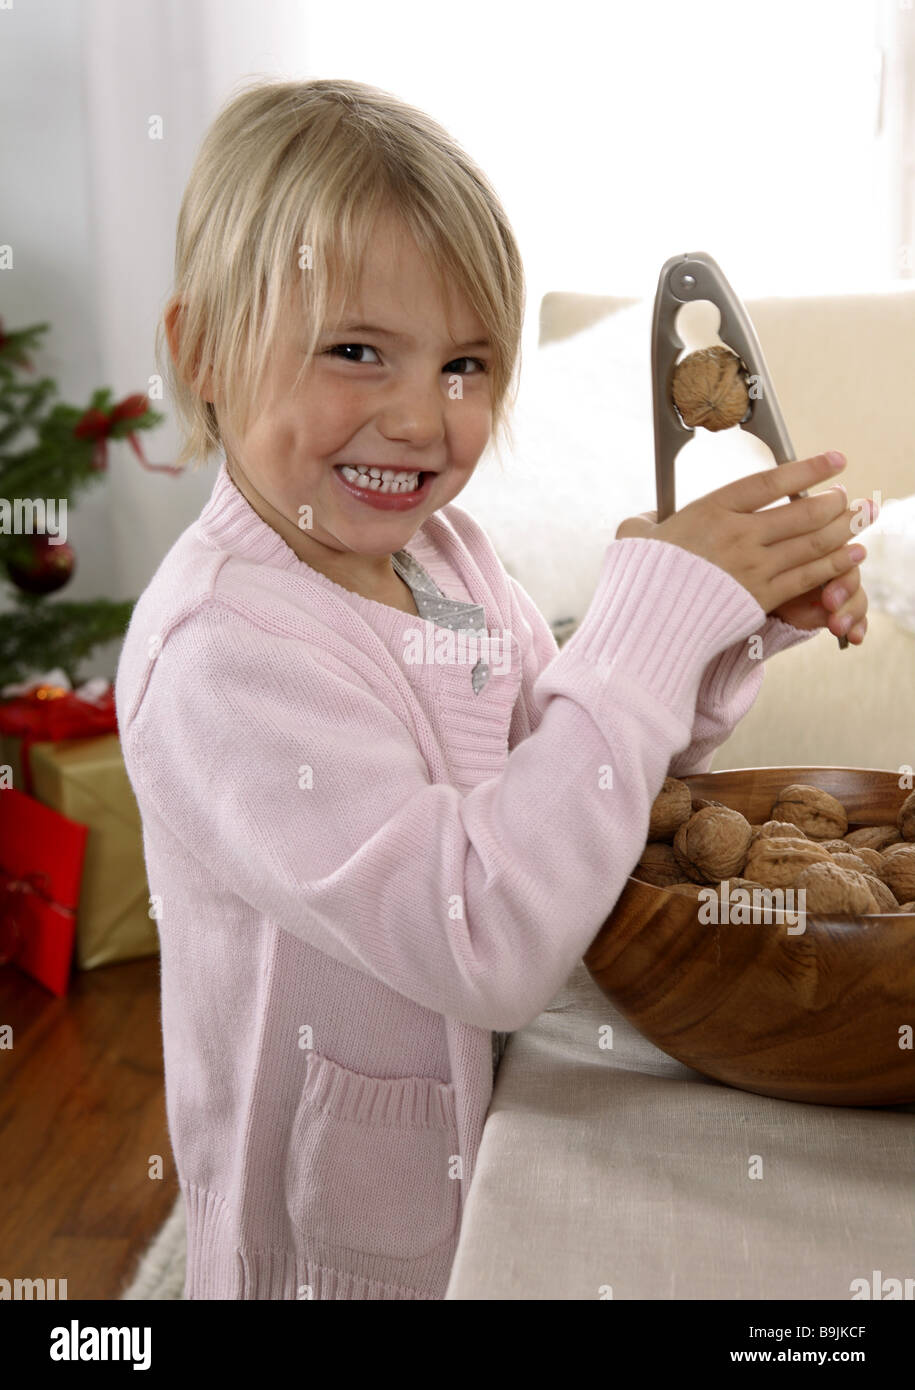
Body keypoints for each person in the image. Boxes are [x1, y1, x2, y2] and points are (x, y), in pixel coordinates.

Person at [115, 77, 871, 1301]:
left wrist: (707, 643)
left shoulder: (442, 557)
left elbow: (554, 774)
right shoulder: (219, 654)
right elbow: (485, 934)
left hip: (485, 1160)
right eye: (358, 351)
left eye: (467, 363)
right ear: (203, 350)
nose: (423, 416)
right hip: (331, 1250)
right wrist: (641, 634)